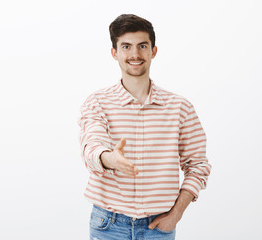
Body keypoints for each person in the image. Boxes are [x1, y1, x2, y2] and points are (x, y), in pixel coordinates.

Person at [78, 14, 212, 240]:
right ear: (115, 53)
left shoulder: (180, 107)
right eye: (126, 46)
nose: (135, 54)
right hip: (108, 225)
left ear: (153, 51)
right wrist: (111, 159)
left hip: (159, 226)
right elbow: (91, 147)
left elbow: (197, 165)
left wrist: (176, 214)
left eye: (142, 46)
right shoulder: (96, 102)